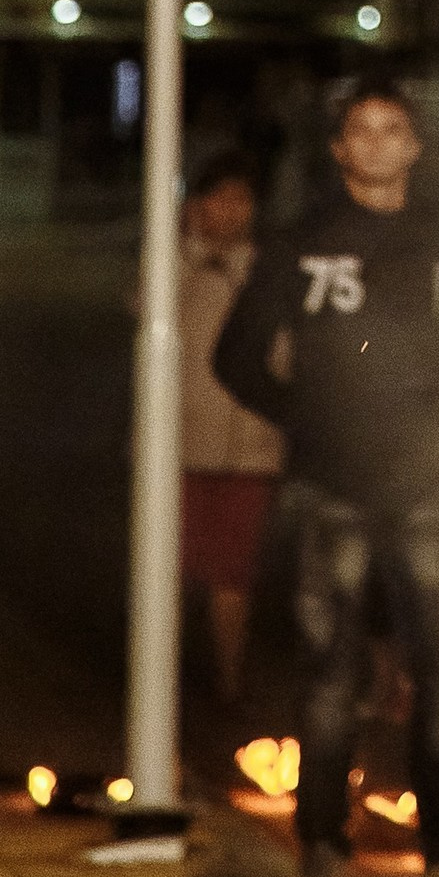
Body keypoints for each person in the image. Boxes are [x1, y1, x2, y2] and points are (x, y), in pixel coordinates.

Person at [212, 77, 439, 877]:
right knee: (329, 672)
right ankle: (322, 843)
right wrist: (301, 416)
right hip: (329, 484)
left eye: (393, 130)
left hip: (430, 485)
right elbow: (235, 355)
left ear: (415, 145)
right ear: (340, 149)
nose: (377, 144)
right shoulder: (300, 243)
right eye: (361, 132)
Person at [176, 150, 284, 709]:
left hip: (248, 445)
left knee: (234, 572)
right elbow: (148, 309)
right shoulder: (171, 262)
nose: (231, 210)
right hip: (178, 443)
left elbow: (286, 350)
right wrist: (192, 252)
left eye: (241, 199)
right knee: (170, 566)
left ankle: (230, 681)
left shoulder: (267, 269)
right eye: (219, 198)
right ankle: (161, 682)